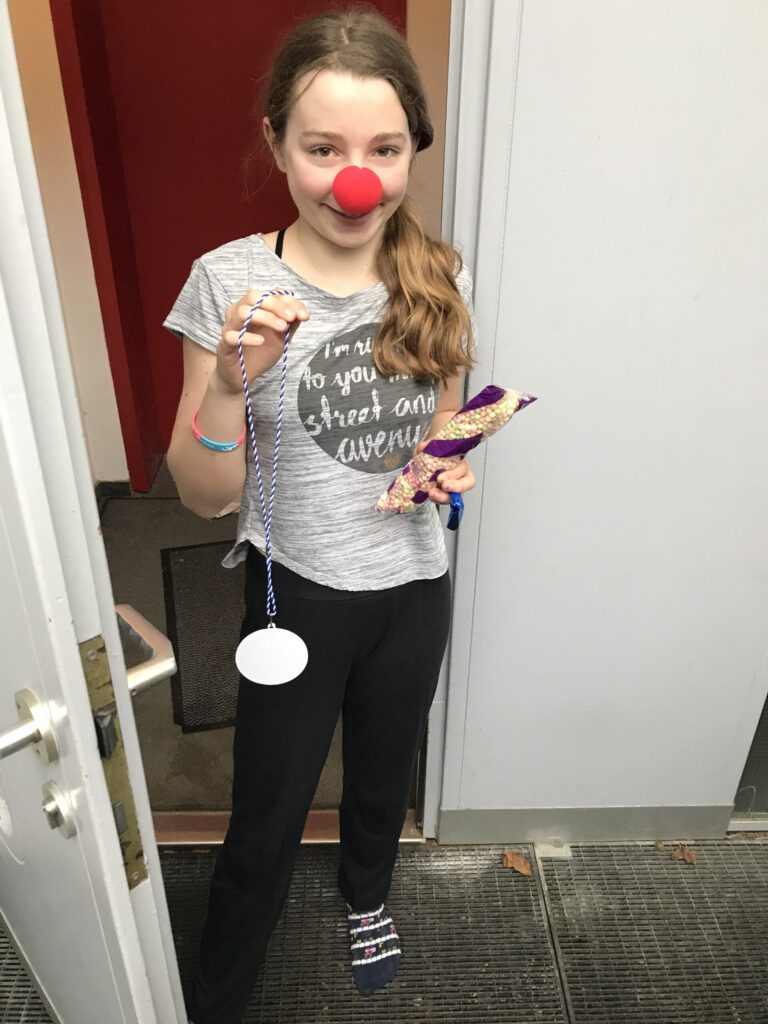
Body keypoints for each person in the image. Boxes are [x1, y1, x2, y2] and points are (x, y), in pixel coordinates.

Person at [163, 6, 479, 1023]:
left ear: (412, 149)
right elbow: (202, 493)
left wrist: (444, 464)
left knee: (384, 772)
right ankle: (222, 989)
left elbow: (444, 424)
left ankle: (367, 894)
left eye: (383, 149)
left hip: (414, 587)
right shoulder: (229, 282)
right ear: (277, 145)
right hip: (295, 590)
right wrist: (229, 383)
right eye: (324, 148)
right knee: (268, 806)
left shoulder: (438, 274)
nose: (357, 181)